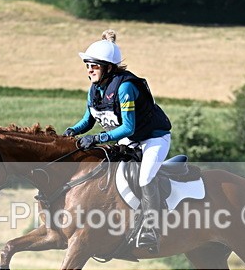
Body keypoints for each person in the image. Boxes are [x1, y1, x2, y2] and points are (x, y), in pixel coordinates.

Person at [63, 29, 172, 253]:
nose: (89, 70)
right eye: (87, 65)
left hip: (153, 139)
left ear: (108, 68)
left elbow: (129, 127)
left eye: (94, 65)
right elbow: (87, 121)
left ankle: (151, 229)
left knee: (144, 177)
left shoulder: (125, 88)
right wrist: (70, 132)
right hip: (129, 140)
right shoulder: (94, 90)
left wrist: (98, 138)